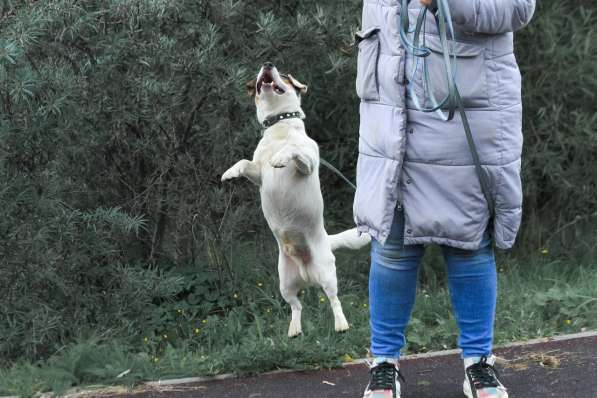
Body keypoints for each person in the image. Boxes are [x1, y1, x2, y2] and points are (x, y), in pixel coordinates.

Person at [352, 0, 536, 397]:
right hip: (391, 114)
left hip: (464, 111)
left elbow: (520, 8)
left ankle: (479, 364)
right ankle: (383, 364)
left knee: (468, 242)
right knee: (392, 245)